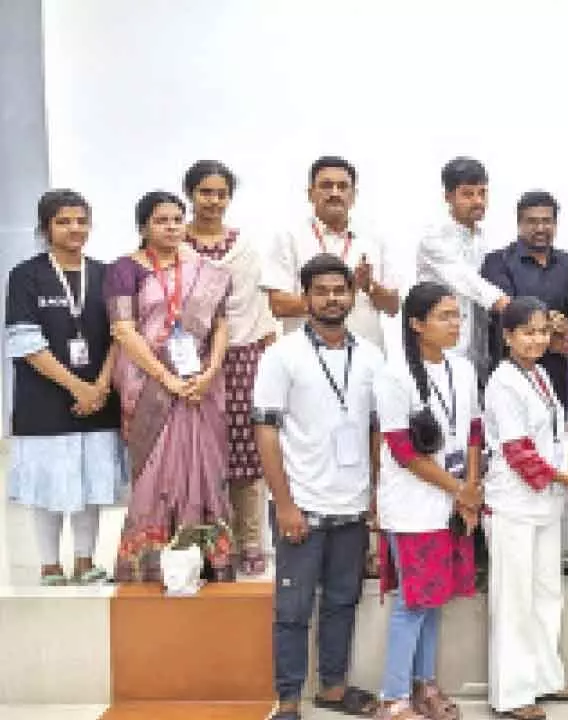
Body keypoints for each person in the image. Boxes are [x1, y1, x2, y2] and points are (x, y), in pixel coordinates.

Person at [254, 253, 384, 720]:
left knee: (342, 601)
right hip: (301, 505)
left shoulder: (371, 356)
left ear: (352, 295)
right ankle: (287, 700)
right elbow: (266, 432)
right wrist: (285, 505)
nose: (332, 298)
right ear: (305, 297)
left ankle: (333, 688)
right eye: (322, 291)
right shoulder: (281, 355)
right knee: (292, 609)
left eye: (340, 290)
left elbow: (375, 431)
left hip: (351, 505)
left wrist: (374, 495)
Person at [107, 191, 234, 583]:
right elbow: (123, 330)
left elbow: (220, 327)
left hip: (199, 387)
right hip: (148, 386)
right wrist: (168, 380)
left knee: (204, 466)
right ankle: (149, 561)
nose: (172, 227)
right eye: (162, 220)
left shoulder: (205, 270)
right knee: (153, 474)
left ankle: (207, 558)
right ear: (144, 225)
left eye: (178, 219)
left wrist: (210, 372)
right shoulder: (125, 269)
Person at [5, 189, 126, 586]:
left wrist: (102, 384)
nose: (75, 229)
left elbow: (119, 337)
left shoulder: (106, 274)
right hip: (45, 399)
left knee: (91, 481)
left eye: (81, 221)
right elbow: (25, 344)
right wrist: (79, 388)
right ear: (45, 228)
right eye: (63, 221)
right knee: (50, 483)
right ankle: (49, 565)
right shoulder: (26, 275)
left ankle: (86, 559)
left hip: (99, 398)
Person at [374, 282, 483, 720]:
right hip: (413, 507)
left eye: (457, 315)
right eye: (444, 316)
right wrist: (460, 490)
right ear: (417, 324)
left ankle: (424, 686)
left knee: (434, 600)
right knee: (413, 603)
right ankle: (393, 697)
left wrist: (470, 490)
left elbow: (474, 433)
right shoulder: (394, 376)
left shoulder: (464, 370)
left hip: (454, 503)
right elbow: (404, 452)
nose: (455, 324)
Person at [483, 297, 568, 720]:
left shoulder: (542, 375)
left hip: (545, 504)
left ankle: (546, 678)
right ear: (507, 336)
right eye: (527, 332)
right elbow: (518, 453)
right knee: (514, 601)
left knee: (547, 595)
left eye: (543, 331)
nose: (537, 339)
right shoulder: (503, 383)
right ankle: (512, 695)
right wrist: (567, 478)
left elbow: (554, 439)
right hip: (513, 505)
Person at [183, 159, 278, 576]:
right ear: (190, 194)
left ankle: (250, 540)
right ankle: (207, 541)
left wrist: (267, 355)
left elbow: (259, 307)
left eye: (221, 193)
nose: (214, 201)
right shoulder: (175, 243)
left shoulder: (245, 247)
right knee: (198, 452)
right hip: (188, 357)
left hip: (243, 356)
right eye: (205, 192)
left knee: (246, 451)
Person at [261, 155, 400, 352]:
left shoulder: (374, 238)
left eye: (343, 187)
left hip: (364, 357)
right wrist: (331, 299)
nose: (335, 193)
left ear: (353, 195)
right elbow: (278, 305)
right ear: (310, 193)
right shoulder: (288, 237)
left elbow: (393, 307)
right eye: (326, 186)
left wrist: (369, 286)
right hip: (306, 357)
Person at [480, 191, 568, 403]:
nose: (541, 228)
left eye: (547, 221)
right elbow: (512, 311)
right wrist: (550, 325)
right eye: (532, 221)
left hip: (562, 373)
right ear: (519, 223)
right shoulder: (497, 262)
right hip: (515, 373)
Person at [416, 156, 512, 375]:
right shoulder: (433, 237)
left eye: (482, 192)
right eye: (468, 194)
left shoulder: (481, 238)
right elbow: (469, 281)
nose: (478, 201)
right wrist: (513, 307)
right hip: (442, 349)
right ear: (448, 196)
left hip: (478, 349)